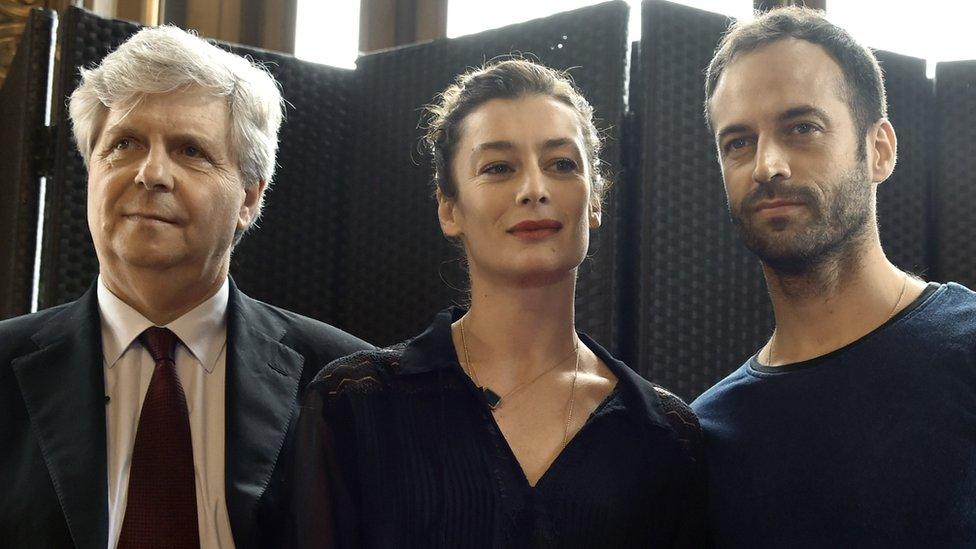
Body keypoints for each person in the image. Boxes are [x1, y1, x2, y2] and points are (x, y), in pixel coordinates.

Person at [291, 59, 706, 547]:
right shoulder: (356, 401)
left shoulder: (663, 432)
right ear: (449, 209)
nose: (534, 190)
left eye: (561, 164)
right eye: (498, 168)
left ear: (595, 200)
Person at [0, 26, 371, 548]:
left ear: (249, 197)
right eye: (124, 144)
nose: (151, 173)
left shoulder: (346, 384)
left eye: (190, 150)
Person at [692, 7, 976, 547]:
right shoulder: (709, 433)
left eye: (802, 128)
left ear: (879, 150)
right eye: (738, 142)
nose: (767, 165)